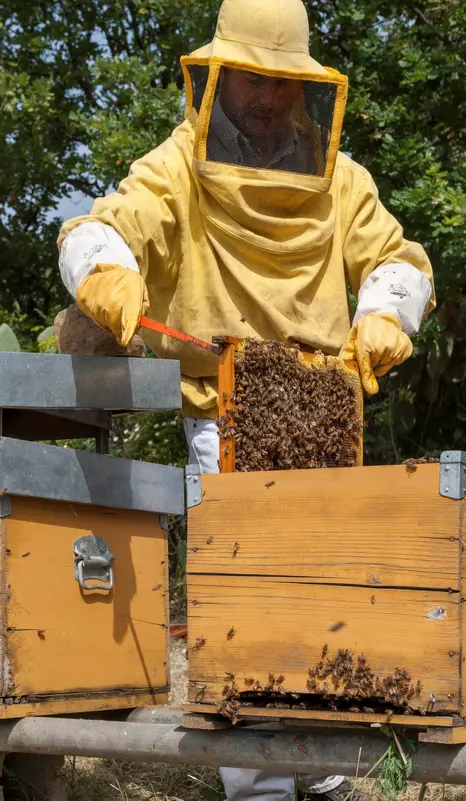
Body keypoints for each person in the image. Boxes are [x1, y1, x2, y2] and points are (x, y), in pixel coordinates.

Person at [57, 1, 434, 798]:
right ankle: (259, 786)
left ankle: (325, 769)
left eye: (279, 82)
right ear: (219, 77)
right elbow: (107, 225)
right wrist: (106, 268)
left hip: (329, 421)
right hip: (223, 421)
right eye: (252, 80)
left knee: (330, 598)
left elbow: (397, 258)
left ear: (303, 86)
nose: (265, 98)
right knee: (248, 601)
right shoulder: (178, 165)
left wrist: (385, 312)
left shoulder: (341, 179)